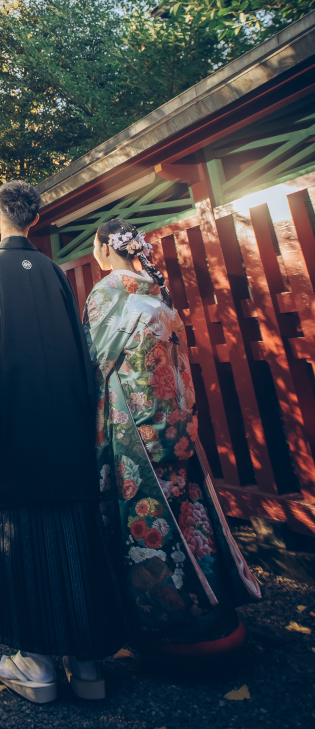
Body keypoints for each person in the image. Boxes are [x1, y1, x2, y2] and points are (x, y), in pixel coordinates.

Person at [0, 180, 127, 703]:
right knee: (74, 533)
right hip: (68, 430)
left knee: (23, 536)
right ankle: (89, 666)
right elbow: (80, 353)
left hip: (15, 431)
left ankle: (38, 665)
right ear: (34, 220)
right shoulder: (53, 272)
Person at [86, 217, 262, 656]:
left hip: (133, 425)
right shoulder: (159, 296)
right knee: (187, 513)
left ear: (106, 248)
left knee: (146, 522)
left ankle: (166, 622)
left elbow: (94, 362)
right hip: (174, 422)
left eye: (95, 245)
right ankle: (210, 605)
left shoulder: (108, 292)